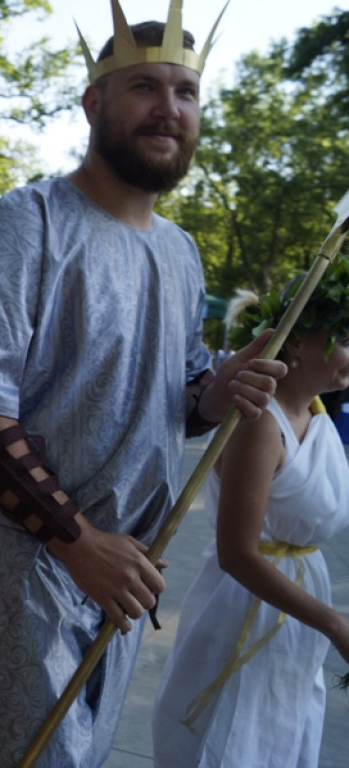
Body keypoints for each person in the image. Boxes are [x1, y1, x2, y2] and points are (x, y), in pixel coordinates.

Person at [0, 3, 287, 766]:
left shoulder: (181, 254)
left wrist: (221, 388)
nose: (168, 109)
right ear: (94, 103)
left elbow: (176, 405)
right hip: (21, 582)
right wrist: (78, 543)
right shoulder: (29, 222)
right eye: (145, 87)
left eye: (185, 93)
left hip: (117, 581)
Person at [152, 270, 349, 767]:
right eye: (345, 338)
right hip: (244, 607)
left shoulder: (319, 417)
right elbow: (237, 554)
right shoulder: (261, 425)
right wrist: (334, 624)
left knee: (277, 737)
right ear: (299, 341)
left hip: (296, 610)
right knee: (233, 740)